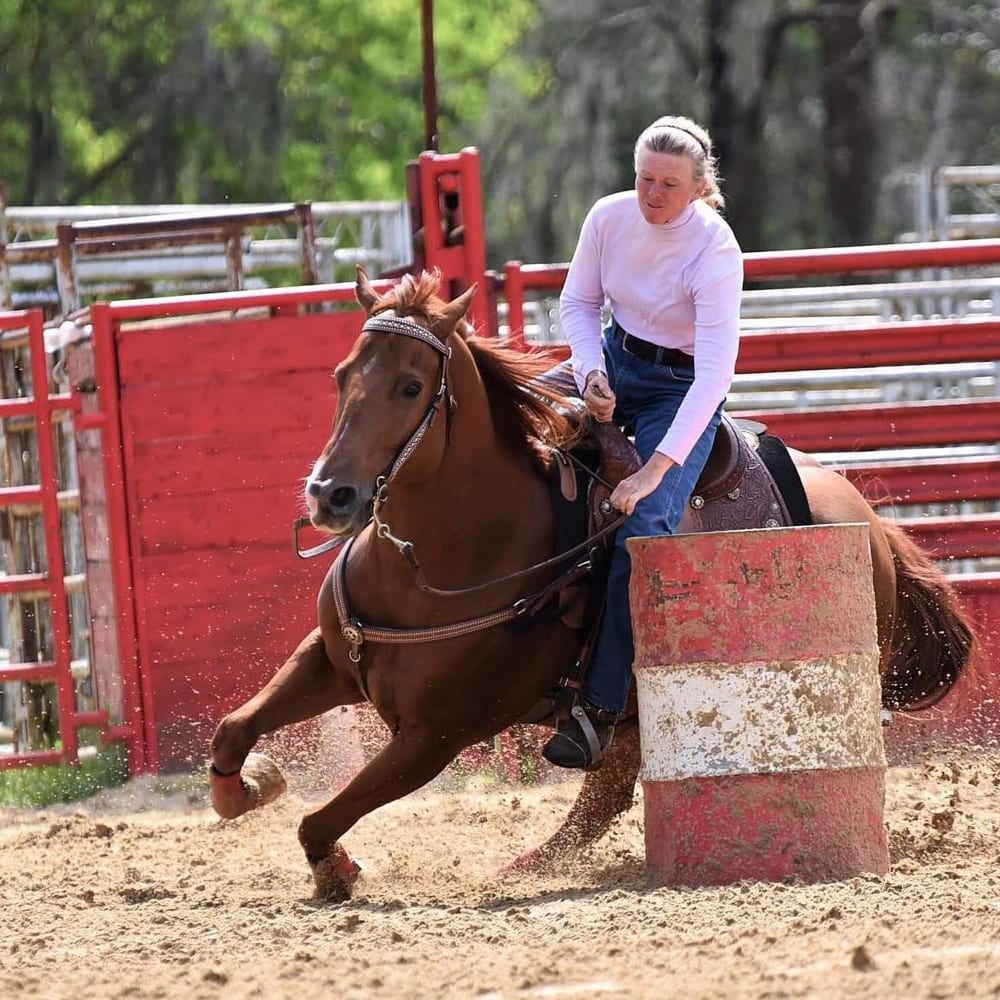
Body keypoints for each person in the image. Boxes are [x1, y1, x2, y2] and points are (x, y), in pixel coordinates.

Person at [542, 114, 744, 770]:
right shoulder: (608, 217)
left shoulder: (714, 250)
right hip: (614, 358)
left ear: (697, 186)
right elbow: (577, 303)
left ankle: (599, 708)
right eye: (644, 179)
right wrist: (590, 369)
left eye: (668, 184)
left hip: (679, 388)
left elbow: (714, 376)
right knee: (516, 409)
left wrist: (654, 470)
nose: (652, 194)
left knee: (646, 526)